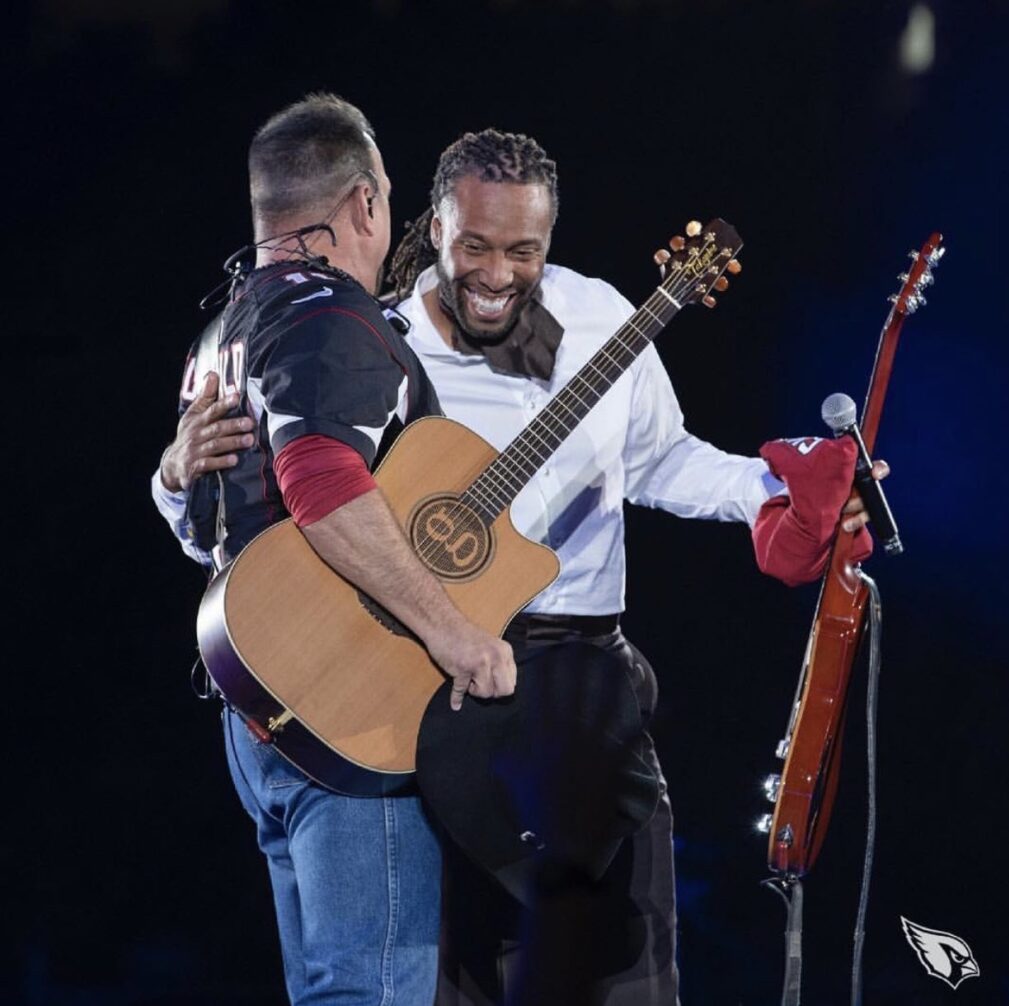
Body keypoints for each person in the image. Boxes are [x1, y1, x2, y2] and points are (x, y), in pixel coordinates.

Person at [157, 126, 884, 1005]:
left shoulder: (604, 318)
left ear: (549, 239)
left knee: (620, 970)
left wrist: (776, 490)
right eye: (473, 247)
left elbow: (666, 460)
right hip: (432, 692)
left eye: (522, 251)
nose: (496, 274)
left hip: (584, 688)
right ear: (429, 227)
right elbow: (294, 509)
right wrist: (174, 474)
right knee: (448, 971)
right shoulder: (371, 333)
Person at [152, 95, 515, 1006]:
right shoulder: (334, 319)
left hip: (259, 714)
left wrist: (166, 475)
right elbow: (320, 484)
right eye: (387, 197)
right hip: (343, 705)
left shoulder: (221, 334)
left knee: (329, 994)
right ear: (360, 204)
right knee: (371, 995)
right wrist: (452, 634)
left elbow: (210, 529)